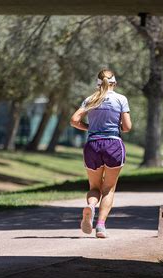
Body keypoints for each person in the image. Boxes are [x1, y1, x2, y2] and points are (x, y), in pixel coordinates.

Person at [70, 69, 132, 238]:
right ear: (115, 83)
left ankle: (91, 206)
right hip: (113, 144)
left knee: (94, 187)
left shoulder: (91, 99)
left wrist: (90, 127)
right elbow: (127, 127)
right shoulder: (121, 99)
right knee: (109, 189)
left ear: (97, 84)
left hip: (92, 145)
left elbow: (74, 120)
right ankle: (101, 226)